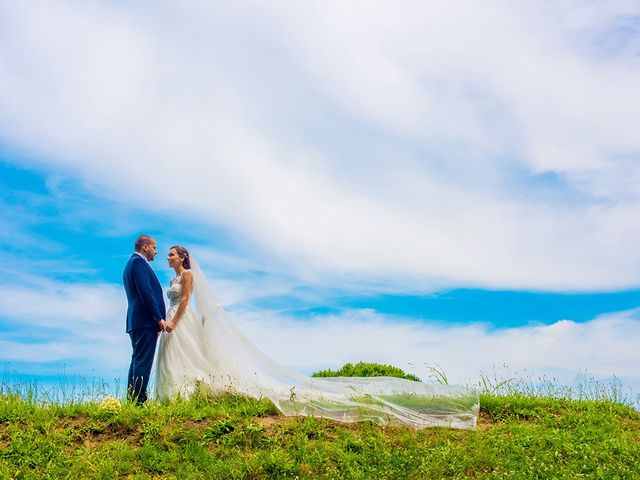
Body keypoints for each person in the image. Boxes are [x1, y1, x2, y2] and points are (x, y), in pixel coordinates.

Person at [154, 246, 480, 429]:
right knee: (178, 360)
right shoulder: (173, 277)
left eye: (171, 254)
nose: (167, 257)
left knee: (187, 356)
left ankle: (185, 396)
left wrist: (174, 322)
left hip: (180, 320)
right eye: (166, 254)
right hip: (171, 321)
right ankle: (177, 398)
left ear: (183, 258)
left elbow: (184, 302)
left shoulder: (189, 275)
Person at [122, 235, 166, 405]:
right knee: (143, 361)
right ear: (146, 247)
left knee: (137, 359)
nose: (156, 252)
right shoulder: (139, 263)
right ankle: (139, 400)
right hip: (145, 320)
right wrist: (158, 318)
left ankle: (133, 398)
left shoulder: (130, 264)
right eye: (154, 248)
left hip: (136, 320)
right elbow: (146, 292)